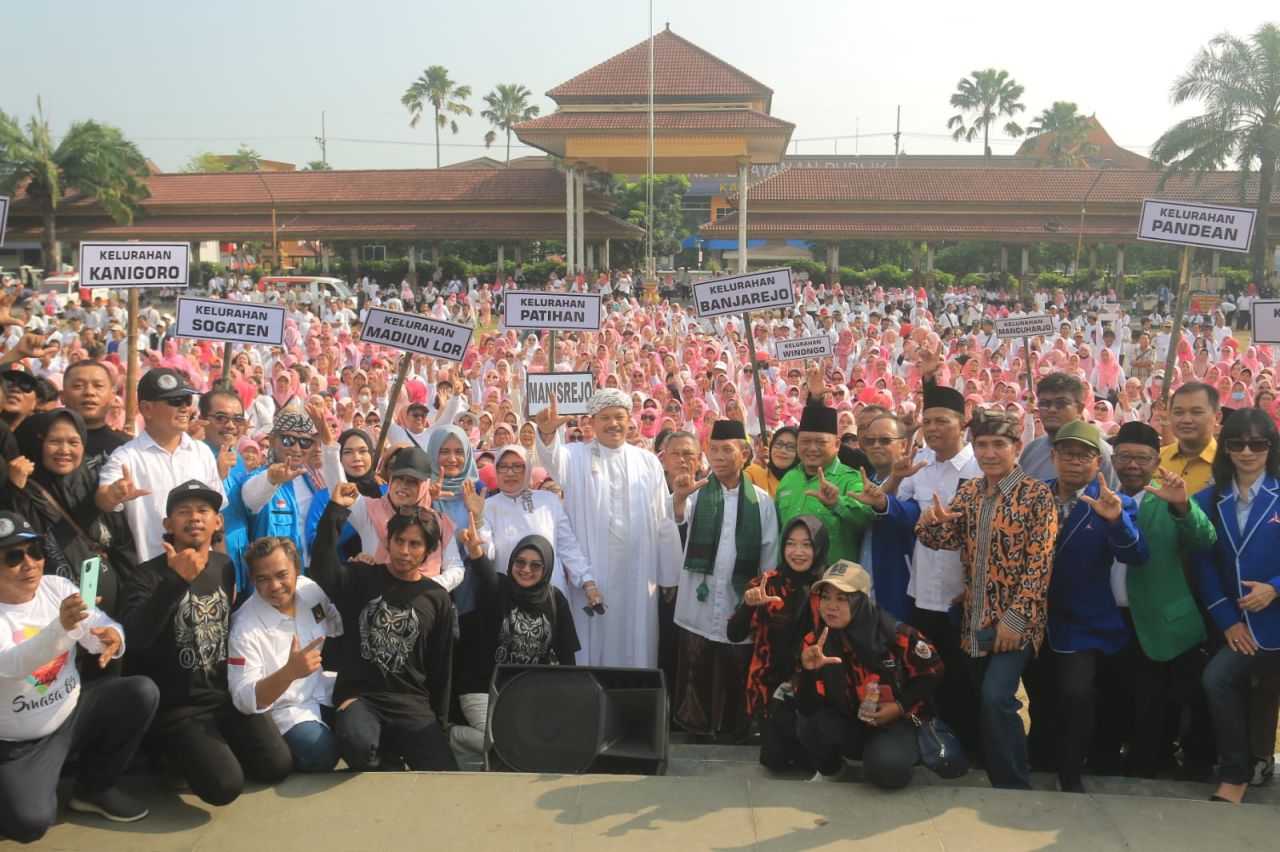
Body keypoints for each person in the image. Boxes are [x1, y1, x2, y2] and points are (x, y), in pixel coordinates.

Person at [120, 481, 292, 805]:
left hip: (224, 695)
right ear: (168, 525)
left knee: (276, 766)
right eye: (184, 512)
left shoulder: (224, 566)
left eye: (203, 511)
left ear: (217, 521)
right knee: (226, 787)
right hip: (179, 708)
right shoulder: (145, 576)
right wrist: (175, 581)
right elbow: (136, 638)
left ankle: (213, 748)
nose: (195, 518)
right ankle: (169, 753)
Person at [915, 409, 1059, 790]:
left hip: (1015, 623)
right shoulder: (970, 491)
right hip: (974, 621)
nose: (990, 453)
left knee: (997, 698)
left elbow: (1039, 564)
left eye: (999, 444)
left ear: (1017, 447)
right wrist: (930, 522)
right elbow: (942, 542)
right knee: (988, 701)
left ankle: (1014, 784)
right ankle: (1001, 774)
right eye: (982, 444)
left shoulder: (1036, 495)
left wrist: (1015, 619)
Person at [0, 511, 158, 841]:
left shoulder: (56, 586)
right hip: (18, 742)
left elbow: (99, 625)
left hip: (72, 714)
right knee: (30, 823)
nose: (29, 564)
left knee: (140, 692)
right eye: (14, 557)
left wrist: (113, 639)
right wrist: (61, 627)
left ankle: (94, 788)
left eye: (35, 552)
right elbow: (15, 664)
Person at [1024, 420, 1148, 793]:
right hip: (1034, 620)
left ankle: (1071, 767)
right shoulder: (1034, 495)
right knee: (1040, 693)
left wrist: (1117, 523)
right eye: (1067, 453)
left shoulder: (1114, 501)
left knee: (1077, 692)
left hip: (1082, 622)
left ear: (1098, 462)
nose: (1075, 462)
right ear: (1053, 456)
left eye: (1084, 455)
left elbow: (1137, 554)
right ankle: (1040, 756)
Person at [311, 482, 458, 772]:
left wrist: (438, 725)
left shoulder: (437, 598)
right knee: (357, 744)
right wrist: (336, 511)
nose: (404, 550)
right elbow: (322, 568)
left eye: (414, 544)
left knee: (444, 774)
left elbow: (442, 667)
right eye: (399, 541)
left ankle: (394, 742)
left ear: (428, 550)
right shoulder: (361, 577)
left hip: (410, 701)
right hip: (362, 697)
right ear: (387, 541)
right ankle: (387, 755)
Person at [870, 373, 982, 750]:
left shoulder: (979, 468)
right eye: (927, 421)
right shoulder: (918, 465)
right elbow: (901, 515)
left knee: (968, 679)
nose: (932, 428)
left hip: (963, 594)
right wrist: (890, 490)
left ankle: (972, 747)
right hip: (922, 591)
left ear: (962, 422)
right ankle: (937, 746)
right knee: (927, 673)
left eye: (941, 421)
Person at [533, 389, 682, 668]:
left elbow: (664, 518)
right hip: (593, 574)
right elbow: (553, 460)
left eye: (619, 417)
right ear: (592, 422)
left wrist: (669, 574)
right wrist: (547, 434)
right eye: (605, 418)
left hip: (640, 574)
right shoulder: (576, 455)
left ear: (629, 421)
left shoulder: (647, 460)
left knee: (637, 641)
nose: (613, 423)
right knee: (593, 643)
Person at [1109, 421, 1217, 779]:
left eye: (1142, 458)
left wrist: (1184, 507)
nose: (1132, 465)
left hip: (1157, 620)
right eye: (1124, 457)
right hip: (1109, 620)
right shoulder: (1102, 494)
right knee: (1115, 697)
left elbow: (1204, 540)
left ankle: (1144, 771)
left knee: (1150, 705)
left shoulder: (1168, 495)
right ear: (1113, 459)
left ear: (1157, 462)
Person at [669, 420, 778, 739]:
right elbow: (674, 523)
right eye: (713, 449)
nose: (717, 456)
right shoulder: (695, 492)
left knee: (735, 663)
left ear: (744, 454)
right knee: (696, 663)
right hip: (699, 599)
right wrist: (677, 499)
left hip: (738, 598)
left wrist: (759, 595)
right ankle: (696, 727)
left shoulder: (761, 500)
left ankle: (735, 727)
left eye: (726, 449)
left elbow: (769, 555)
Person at [1193, 408, 1280, 804]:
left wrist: (1274, 589)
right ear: (1225, 447)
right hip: (1239, 626)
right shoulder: (1208, 499)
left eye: (1257, 443)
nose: (1247, 451)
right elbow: (1204, 564)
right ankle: (1235, 773)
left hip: (1275, 614)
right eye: (1237, 443)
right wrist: (1228, 621)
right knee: (1217, 679)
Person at [794, 561, 943, 788]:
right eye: (825, 597)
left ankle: (892, 752)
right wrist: (808, 672)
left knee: (888, 770)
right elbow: (806, 709)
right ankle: (832, 769)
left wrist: (900, 706)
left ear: (861, 602)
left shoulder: (895, 636)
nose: (830, 606)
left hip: (895, 721)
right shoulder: (815, 644)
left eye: (842, 598)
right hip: (850, 720)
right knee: (808, 724)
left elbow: (933, 672)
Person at [450, 531, 580, 754]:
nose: (526, 569)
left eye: (535, 565)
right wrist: (474, 550)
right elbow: (484, 571)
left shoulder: (555, 599)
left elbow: (567, 655)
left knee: (526, 745)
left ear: (546, 568)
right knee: (498, 743)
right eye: (520, 562)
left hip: (525, 694)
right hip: (481, 689)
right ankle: (448, 735)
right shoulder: (499, 588)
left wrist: (571, 699)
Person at [228, 536, 342, 773]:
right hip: (285, 710)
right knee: (323, 754)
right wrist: (289, 673)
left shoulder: (310, 590)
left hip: (322, 690)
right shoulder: (244, 627)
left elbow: (335, 623)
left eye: (282, 575)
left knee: (360, 730)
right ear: (252, 579)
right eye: (264, 579)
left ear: (297, 568)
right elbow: (243, 698)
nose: (275, 586)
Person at [727, 515, 828, 771]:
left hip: (816, 686)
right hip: (770, 686)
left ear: (819, 547)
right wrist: (748, 607)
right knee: (774, 761)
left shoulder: (830, 588)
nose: (798, 552)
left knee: (810, 762)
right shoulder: (767, 584)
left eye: (807, 544)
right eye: (791, 544)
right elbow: (734, 634)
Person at [97, 368, 226, 563]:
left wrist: (222, 569)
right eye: (175, 402)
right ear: (147, 409)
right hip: (152, 578)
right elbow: (103, 499)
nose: (185, 408)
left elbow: (216, 519)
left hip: (202, 575)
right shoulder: (127, 457)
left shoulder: (202, 453)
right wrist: (114, 494)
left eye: (187, 400)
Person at [481, 445, 598, 607]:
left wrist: (587, 582)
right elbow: (486, 554)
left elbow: (568, 547)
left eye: (517, 466)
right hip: (508, 598)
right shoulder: (486, 507)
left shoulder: (548, 501)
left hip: (549, 595)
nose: (509, 472)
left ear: (528, 469)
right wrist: (477, 520)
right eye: (503, 466)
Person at [774, 404, 873, 564]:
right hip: (790, 582)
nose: (812, 448)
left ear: (837, 445)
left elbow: (865, 517)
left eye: (821, 442)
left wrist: (837, 503)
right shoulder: (789, 478)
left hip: (831, 583)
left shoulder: (851, 479)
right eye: (805, 441)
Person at [1020, 373, 1117, 486]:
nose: (1052, 409)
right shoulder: (1031, 451)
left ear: (1079, 409)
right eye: (1045, 403)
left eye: (1061, 403)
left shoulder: (1101, 454)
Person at [59, 360, 128, 467]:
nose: (89, 392)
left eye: (98, 386)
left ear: (112, 396)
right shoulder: (44, 440)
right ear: (62, 396)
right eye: (78, 385)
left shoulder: (127, 446)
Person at [745, 426, 798, 499]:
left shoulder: (807, 485)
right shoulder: (753, 475)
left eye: (791, 447)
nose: (782, 450)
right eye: (778, 444)